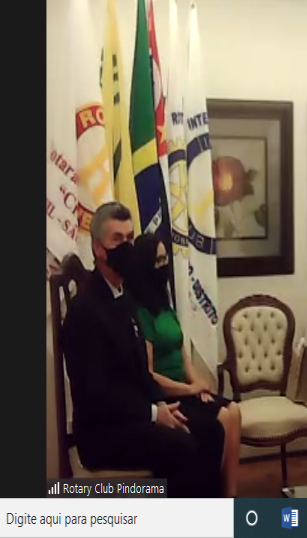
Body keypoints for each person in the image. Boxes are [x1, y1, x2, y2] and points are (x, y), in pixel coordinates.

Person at [63, 203, 223, 496]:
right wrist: (152, 413)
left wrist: (161, 404)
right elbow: (98, 395)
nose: (127, 247)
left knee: (211, 429)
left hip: (135, 414)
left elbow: (140, 372)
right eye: (117, 239)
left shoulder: (124, 298)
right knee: (182, 446)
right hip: (104, 432)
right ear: (98, 248)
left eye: (130, 238)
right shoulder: (85, 310)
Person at [128, 234, 242, 497]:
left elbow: (183, 356)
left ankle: (230, 497)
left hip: (185, 388)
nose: (164, 266)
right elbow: (149, 373)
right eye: (158, 261)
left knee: (234, 410)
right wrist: (189, 390)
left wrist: (198, 383)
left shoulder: (165, 306)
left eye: (165, 259)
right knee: (222, 419)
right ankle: (212, 495)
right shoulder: (141, 313)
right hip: (167, 395)